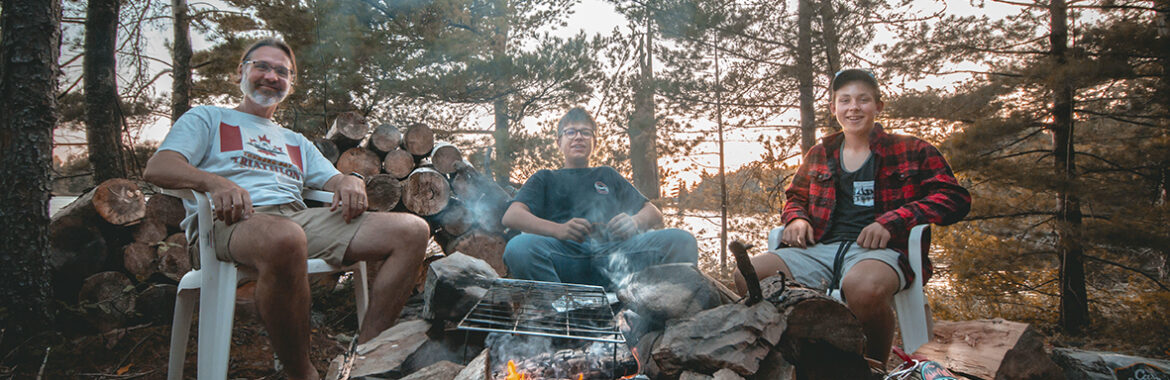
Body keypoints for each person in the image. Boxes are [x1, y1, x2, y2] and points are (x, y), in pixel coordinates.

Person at [143, 38, 428, 380]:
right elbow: (159, 167)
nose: (271, 76)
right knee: (286, 237)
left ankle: (365, 361)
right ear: (241, 73)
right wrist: (214, 183)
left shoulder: (295, 141)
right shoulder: (208, 118)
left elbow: (332, 179)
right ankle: (302, 373)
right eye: (261, 66)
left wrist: (350, 180)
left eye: (282, 71)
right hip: (230, 222)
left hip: (297, 218)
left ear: (290, 84)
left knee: (413, 231)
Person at [733, 69, 971, 364]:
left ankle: (874, 366)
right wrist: (796, 219)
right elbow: (795, 197)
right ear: (834, 109)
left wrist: (893, 220)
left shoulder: (912, 149)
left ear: (878, 107)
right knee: (748, 274)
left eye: (863, 99)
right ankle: (798, 356)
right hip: (819, 249)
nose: (854, 107)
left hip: (881, 253)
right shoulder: (820, 153)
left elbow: (955, 199)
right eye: (844, 100)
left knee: (862, 288)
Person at [501, 107, 698, 289]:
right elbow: (512, 216)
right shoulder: (545, 178)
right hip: (563, 256)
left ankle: (664, 308)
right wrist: (559, 230)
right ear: (559, 142)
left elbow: (654, 212)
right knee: (518, 248)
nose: (578, 137)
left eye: (585, 132)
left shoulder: (607, 175)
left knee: (681, 240)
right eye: (571, 132)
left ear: (594, 142)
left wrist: (634, 221)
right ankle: (558, 308)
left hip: (617, 255)